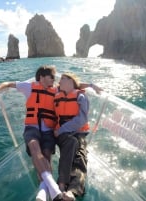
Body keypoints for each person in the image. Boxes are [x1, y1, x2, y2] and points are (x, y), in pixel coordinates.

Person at [0, 65, 102, 201]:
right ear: (41, 77)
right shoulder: (29, 87)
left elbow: (74, 84)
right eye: (51, 76)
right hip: (32, 127)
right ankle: (53, 188)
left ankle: (43, 190)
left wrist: (92, 85)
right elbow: (8, 83)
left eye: (54, 77)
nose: (54, 79)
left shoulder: (56, 89)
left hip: (48, 131)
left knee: (46, 156)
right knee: (34, 146)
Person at [53, 72, 92, 201]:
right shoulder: (57, 94)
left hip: (77, 132)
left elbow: (81, 119)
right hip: (62, 134)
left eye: (62, 79)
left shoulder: (80, 96)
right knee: (71, 142)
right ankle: (63, 184)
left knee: (80, 154)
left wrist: (92, 85)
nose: (59, 81)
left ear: (71, 81)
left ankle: (72, 189)